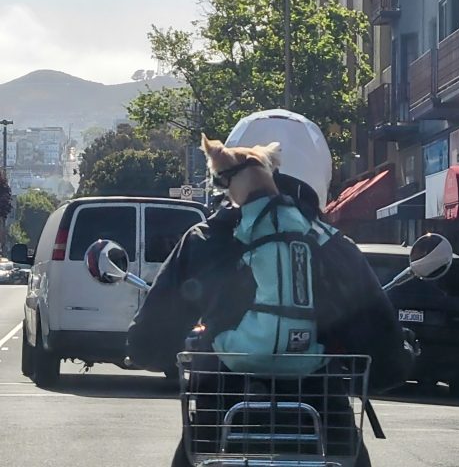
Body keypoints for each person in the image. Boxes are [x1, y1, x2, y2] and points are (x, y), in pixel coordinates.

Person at [127, 110, 413, 467]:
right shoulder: (333, 246)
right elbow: (386, 368)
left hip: (219, 428)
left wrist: (175, 344)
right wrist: (401, 350)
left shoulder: (204, 240)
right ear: (318, 177)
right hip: (323, 424)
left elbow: (146, 347)